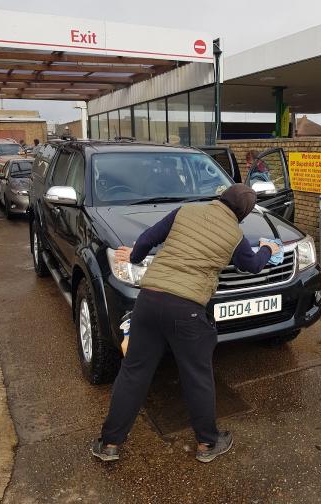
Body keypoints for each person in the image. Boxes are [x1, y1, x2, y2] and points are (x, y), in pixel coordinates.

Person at [92, 184, 281, 464]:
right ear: (243, 214)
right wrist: (268, 248)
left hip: (149, 300)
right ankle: (207, 443)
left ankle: (109, 443)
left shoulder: (185, 211)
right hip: (187, 310)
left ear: (220, 197)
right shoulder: (235, 234)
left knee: (133, 373)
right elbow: (251, 265)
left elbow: (146, 239)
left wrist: (133, 257)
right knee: (197, 376)